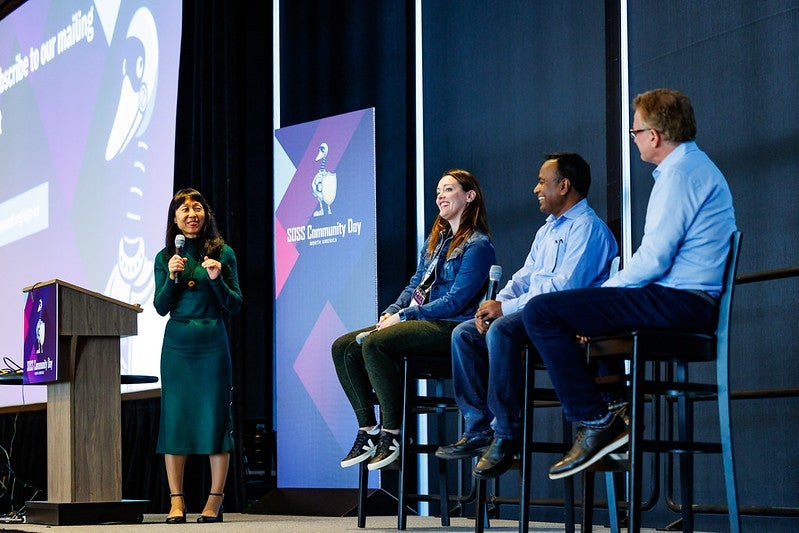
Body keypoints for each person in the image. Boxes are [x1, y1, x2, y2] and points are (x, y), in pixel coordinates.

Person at [523, 88, 736, 480]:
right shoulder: (692, 168)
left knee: (541, 311)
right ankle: (615, 413)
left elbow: (654, 260)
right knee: (579, 312)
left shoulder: (679, 175)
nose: (634, 138)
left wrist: (599, 301)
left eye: (635, 131)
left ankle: (597, 422)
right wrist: (594, 312)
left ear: (653, 135)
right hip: (683, 298)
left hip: (683, 302)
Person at [435, 153, 618, 479]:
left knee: (501, 330)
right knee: (464, 333)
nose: (535, 189)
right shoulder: (548, 230)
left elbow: (564, 289)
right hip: (534, 314)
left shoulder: (588, 229)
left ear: (563, 186)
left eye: (542, 182)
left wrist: (504, 310)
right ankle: (479, 427)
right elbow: (524, 276)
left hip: (564, 322)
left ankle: (507, 431)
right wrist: (493, 303)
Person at [332, 169, 496, 471]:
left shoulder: (478, 245)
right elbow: (415, 285)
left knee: (375, 343)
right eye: (438, 191)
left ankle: (392, 434)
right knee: (343, 347)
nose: (440, 196)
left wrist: (405, 315)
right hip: (420, 320)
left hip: (450, 327)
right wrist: (393, 309)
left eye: (448, 189)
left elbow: (456, 302)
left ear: (469, 196)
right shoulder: (436, 241)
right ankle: (368, 430)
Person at [153, 188, 243, 523]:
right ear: (174, 219)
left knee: (215, 420)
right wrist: (173, 278)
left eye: (198, 208)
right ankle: (177, 502)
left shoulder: (224, 253)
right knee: (175, 421)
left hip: (212, 345)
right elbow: (161, 306)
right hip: (177, 347)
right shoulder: (165, 258)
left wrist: (218, 280)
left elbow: (234, 304)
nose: (192, 214)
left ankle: (214, 501)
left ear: (205, 214)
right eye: (184, 209)